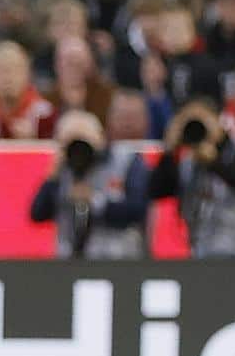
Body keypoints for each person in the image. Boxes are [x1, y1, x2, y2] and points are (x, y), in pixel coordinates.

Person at [149, 100, 235, 259]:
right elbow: (156, 191)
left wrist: (214, 162)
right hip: (201, 252)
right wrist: (169, 151)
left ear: (218, 120)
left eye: (202, 119)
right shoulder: (187, 161)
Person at [28, 110, 148, 260]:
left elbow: (139, 209)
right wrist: (52, 177)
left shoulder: (125, 161)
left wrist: (95, 200)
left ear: (100, 137)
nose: (79, 152)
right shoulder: (63, 170)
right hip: (70, 261)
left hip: (118, 259)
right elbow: (37, 214)